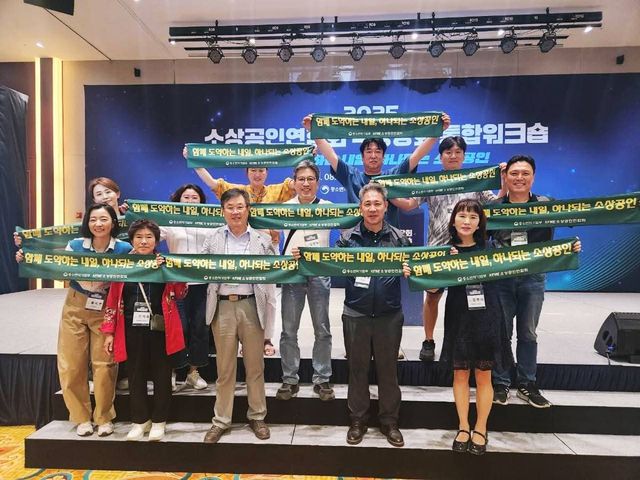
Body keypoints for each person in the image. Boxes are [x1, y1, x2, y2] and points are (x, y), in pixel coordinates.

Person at [404, 199, 513, 455]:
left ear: (480, 223)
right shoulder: (445, 252)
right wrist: (416, 274)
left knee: (484, 376)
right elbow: (433, 289)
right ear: (453, 221)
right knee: (460, 375)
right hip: (459, 318)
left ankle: (481, 428)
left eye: (473, 217)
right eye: (462, 216)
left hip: (488, 318)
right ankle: (463, 426)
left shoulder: (492, 249)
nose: (467, 221)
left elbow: (531, 258)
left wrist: (566, 250)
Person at [16, 204, 131, 437]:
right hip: (76, 305)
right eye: (93, 219)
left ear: (113, 222)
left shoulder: (124, 249)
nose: (98, 224)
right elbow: (57, 267)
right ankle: (81, 418)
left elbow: (140, 269)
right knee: (71, 364)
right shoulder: (76, 245)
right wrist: (26, 258)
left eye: (104, 219)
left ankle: (104, 417)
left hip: (106, 308)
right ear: (87, 223)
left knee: (105, 365)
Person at [393, 136, 506, 362]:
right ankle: (428, 340)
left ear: (464, 155)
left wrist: (503, 181)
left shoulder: (475, 180)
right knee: (432, 297)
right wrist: (387, 192)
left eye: (457, 152)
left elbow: (495, 204)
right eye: (448, 152)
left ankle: (465, 341)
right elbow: (409, 205)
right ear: (441, 156)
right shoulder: (432, 182)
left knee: (468, 298)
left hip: (469, 251)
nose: (453, 156)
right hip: (438, 251)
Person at [490, 155, 580, 408]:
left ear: (533, 177)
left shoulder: (547, 204)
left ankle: (527, 383)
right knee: (501, 332)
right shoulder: (494, 207)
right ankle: (501, 383)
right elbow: (478, 237)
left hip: (533, 278)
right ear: (506, 177)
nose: (519, 178)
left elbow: (578, 217)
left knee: (528, 333)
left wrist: (572, 246)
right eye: (514, 173)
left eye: (525, 173)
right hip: (501, 278)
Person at [183, 146, 293, 356]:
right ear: (247, 173)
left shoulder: (278, 190)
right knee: (244, 295)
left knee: (269, 297)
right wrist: (194, 160)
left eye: (261, 170)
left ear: (267, 172)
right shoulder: (237, 191)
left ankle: (266, 338)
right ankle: (244, 339)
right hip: (238, 246)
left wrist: (306, 156)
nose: (257, 174)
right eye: (253, 170)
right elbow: (213, 183)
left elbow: (299, 183)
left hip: (268, 248)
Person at [336, 183, 410, 447]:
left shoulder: (400, 239)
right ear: (360, 208)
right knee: (357, 369)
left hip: (389, 315)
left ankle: (390, 421)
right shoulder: (347, 239)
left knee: (388, 370)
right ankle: (358, 420)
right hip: (356, 313)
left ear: (386, 206)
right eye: (367, 204)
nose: (372, 208)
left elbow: (420, 265)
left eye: (377, 203)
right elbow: (328, 263)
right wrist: (305, 256)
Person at [101, 219, 187, 441]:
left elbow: (181, 293)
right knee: (135, 375)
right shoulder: (122, 266)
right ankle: (140, 421)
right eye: (139, 237)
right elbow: (112, 300)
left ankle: (159, 421)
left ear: (156, 241)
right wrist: (109, 332)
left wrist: (171, 271)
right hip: (130, 328)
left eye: (149, 237)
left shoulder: (165, 262)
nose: (144, 241)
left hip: (160, 327)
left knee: (162, 375)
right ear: (131, 240)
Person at [202, 188, 276, 444]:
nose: (235, 212)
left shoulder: (262, 240)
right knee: (224, 369)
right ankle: (221, 420)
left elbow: (275, 271)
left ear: (248, 210)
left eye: (240, 207)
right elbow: (198, 268)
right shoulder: (212, 239)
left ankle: (257, 416)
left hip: (251, 306)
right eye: (230, 207)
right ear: (223, 211)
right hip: (222, 307)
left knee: (255, 367)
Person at [302, 112, 450, 227]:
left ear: (383, 157)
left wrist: (436, 131)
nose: (373, 156)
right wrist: (314, 130)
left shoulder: (393, 176)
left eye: (378, 151)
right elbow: (330, 154)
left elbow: (417, 155)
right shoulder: (351, 176)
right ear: (362, 157)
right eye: (369, 151)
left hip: (389, 242)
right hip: (357, 243)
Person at [277, 160, 333, 402]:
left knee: (322, 329)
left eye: (311, 179)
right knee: (289, 330)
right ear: (294, 183)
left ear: (318, 183)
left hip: (319, 273)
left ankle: (322, 378)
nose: (306, 183)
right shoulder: (284, 208)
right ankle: (290, 379)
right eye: (301, 179)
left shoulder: (328, 208)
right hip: (293, 274)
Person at [160, 184, 210, 391]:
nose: (190, 201)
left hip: (203, 283)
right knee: (178, 328)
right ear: (178, 201)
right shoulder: (170, 222)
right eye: (186, 198)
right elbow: (149, 234)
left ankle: (193, 372)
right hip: (177, 283)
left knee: (199, 327)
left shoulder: (210, 223)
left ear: (201, 201)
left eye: (194, 198)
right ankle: (173, 371)